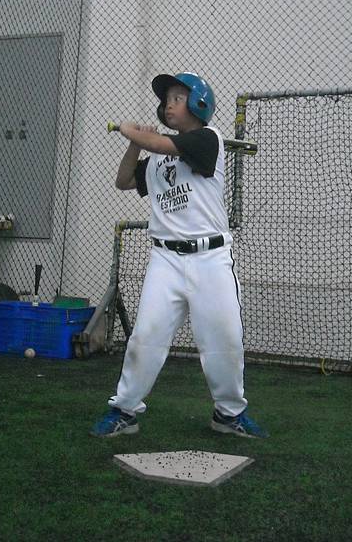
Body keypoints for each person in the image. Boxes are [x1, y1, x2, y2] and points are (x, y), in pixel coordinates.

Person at [90, 72, 269, 439]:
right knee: (146, 336)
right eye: (167, 99)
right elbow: (124, 181)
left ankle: (229, 413)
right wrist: (134, 143)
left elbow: (165, 145)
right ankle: (124, 410)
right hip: (166, 260)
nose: (169, 105)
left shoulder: (208, 138)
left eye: (177, 98)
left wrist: (130, 130)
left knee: (223, 339)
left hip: (210, 258)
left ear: (199, 104)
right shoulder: (157, 157)